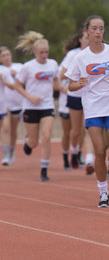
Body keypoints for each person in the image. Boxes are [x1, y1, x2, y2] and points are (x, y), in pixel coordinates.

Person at [65, 15, 109, 207]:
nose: (98, 32)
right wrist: (79, 83)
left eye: (101, 29)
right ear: (87, 31)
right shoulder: (80, 57)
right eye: (94, 29)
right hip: (92, 108)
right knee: (100, 152)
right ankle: (103, 193)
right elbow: (70, 85)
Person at [13, 32, 61, 182]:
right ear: (35, 52)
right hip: (31, 106)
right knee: (34, 142)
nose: (44, 55)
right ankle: (28, 142)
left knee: (46, 136)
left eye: (46, 52)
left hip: (47, 105)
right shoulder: (28, 66)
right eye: (41, 52)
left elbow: (56, 81)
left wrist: (65, 89)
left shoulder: (53, 64)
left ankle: (44, 170)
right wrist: (30, 97)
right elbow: (17, 85)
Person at [59, 29, 90, 169]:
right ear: (80, 39)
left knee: (87, 128)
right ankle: (73, 153)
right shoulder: (73, 54)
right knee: (76, 130)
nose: (89, 39)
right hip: (75, 95)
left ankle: (81, 154)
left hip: (89, 96)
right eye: (86, 37)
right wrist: (77, 75)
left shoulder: (94, 53)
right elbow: (62, 74)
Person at [1, 47, 22, 166]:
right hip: (5, 104)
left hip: (18, 103)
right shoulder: (1, 69)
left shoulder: (19, 67)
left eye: (8, 54)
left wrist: (17, 75)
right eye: (3, 55)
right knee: (6, 128)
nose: (6, 57)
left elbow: (25, 82)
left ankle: (11, 152)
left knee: (13, 131)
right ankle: (5, 155)